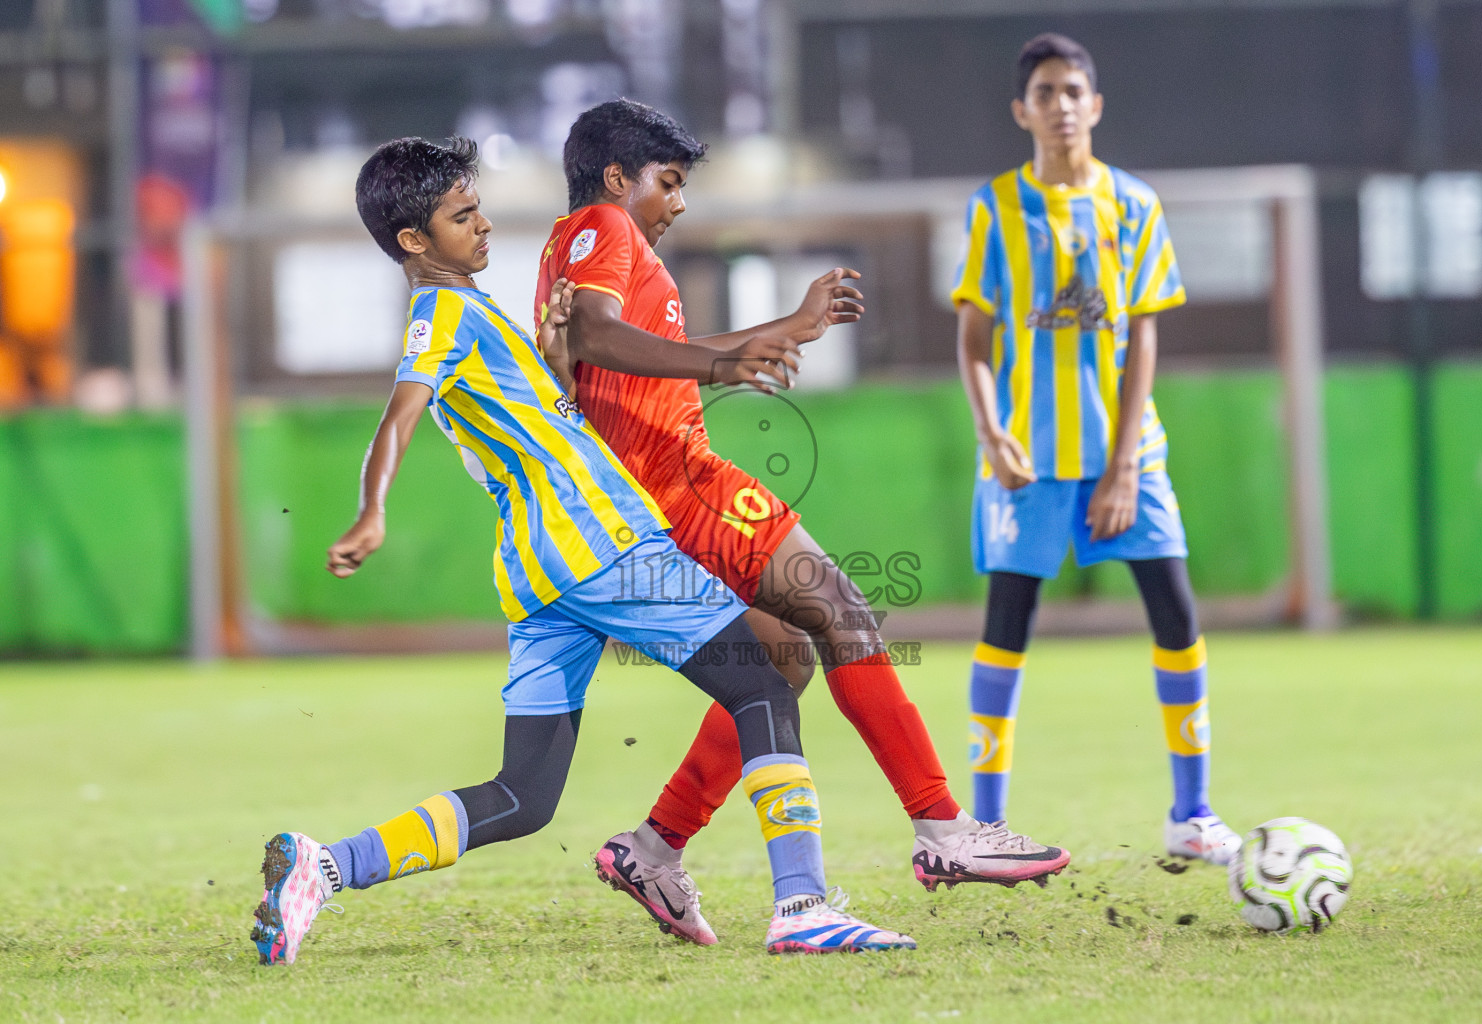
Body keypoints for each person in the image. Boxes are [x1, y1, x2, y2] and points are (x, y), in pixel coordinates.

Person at [248, 136, 917, 964]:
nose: (485, 224)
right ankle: (805, 905)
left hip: (539, 576)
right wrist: (369, 511)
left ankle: (325, 865)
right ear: (415, 242)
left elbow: (537, 418)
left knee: (523, 795)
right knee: (767, 682)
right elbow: (401, 411)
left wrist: (558, 357)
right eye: (463, 216)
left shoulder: (475, 313)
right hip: (602, 546)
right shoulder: (442, 315)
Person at [533, 99, 1070, 947]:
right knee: (843, 609)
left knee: (781, 658)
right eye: (667, 183)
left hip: (658, 484)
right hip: (677, 487)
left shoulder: (599, 244)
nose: (677, 202)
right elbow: (598, 339)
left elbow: (625, 369)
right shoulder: (600, 225)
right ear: (614, 178)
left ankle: (652, 848)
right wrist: (723, 357)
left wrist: (784, 327)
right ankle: (943, 830)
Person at [952, 33, 1240, 865]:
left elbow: (1142, 339)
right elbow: (973, 342)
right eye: (1045, 92)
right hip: (1026, 459)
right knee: (1007, 625)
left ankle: (1192, 813)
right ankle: (988, 827)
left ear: (1097, 105)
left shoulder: (1135, 204)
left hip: (1128, 458)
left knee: (1176, 615)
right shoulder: (993, 210)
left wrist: (1121, 468)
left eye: (1074, 90)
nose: (1062, 105)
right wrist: (990, 429)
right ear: (1022, 111)